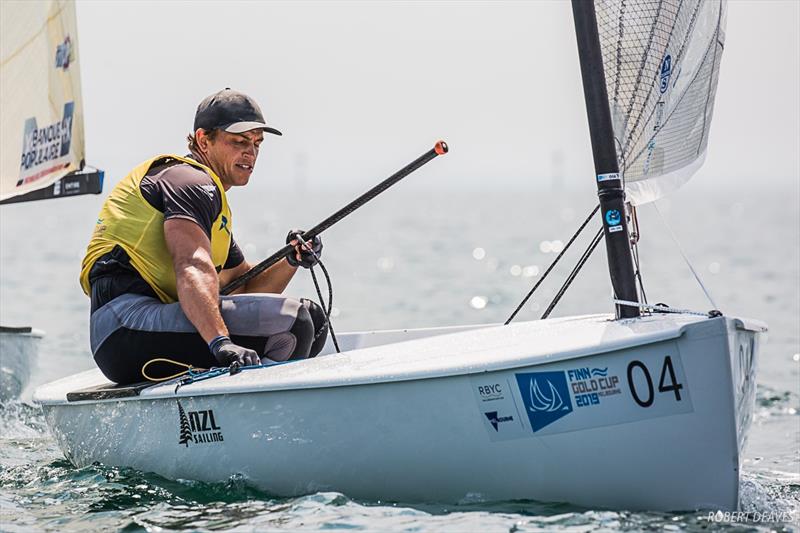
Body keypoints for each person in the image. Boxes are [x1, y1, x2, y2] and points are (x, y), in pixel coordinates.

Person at [79, 88, 328, 385]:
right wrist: (220, 342)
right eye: (239, 141)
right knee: (295, 322)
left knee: (314, 320)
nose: (250, 152)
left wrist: (291, 258)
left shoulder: (205, 200)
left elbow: (244, 287)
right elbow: (191, 265)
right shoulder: (190, 183)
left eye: (257, 144)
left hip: (140, 329)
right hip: (124, 328)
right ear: (203, 140)